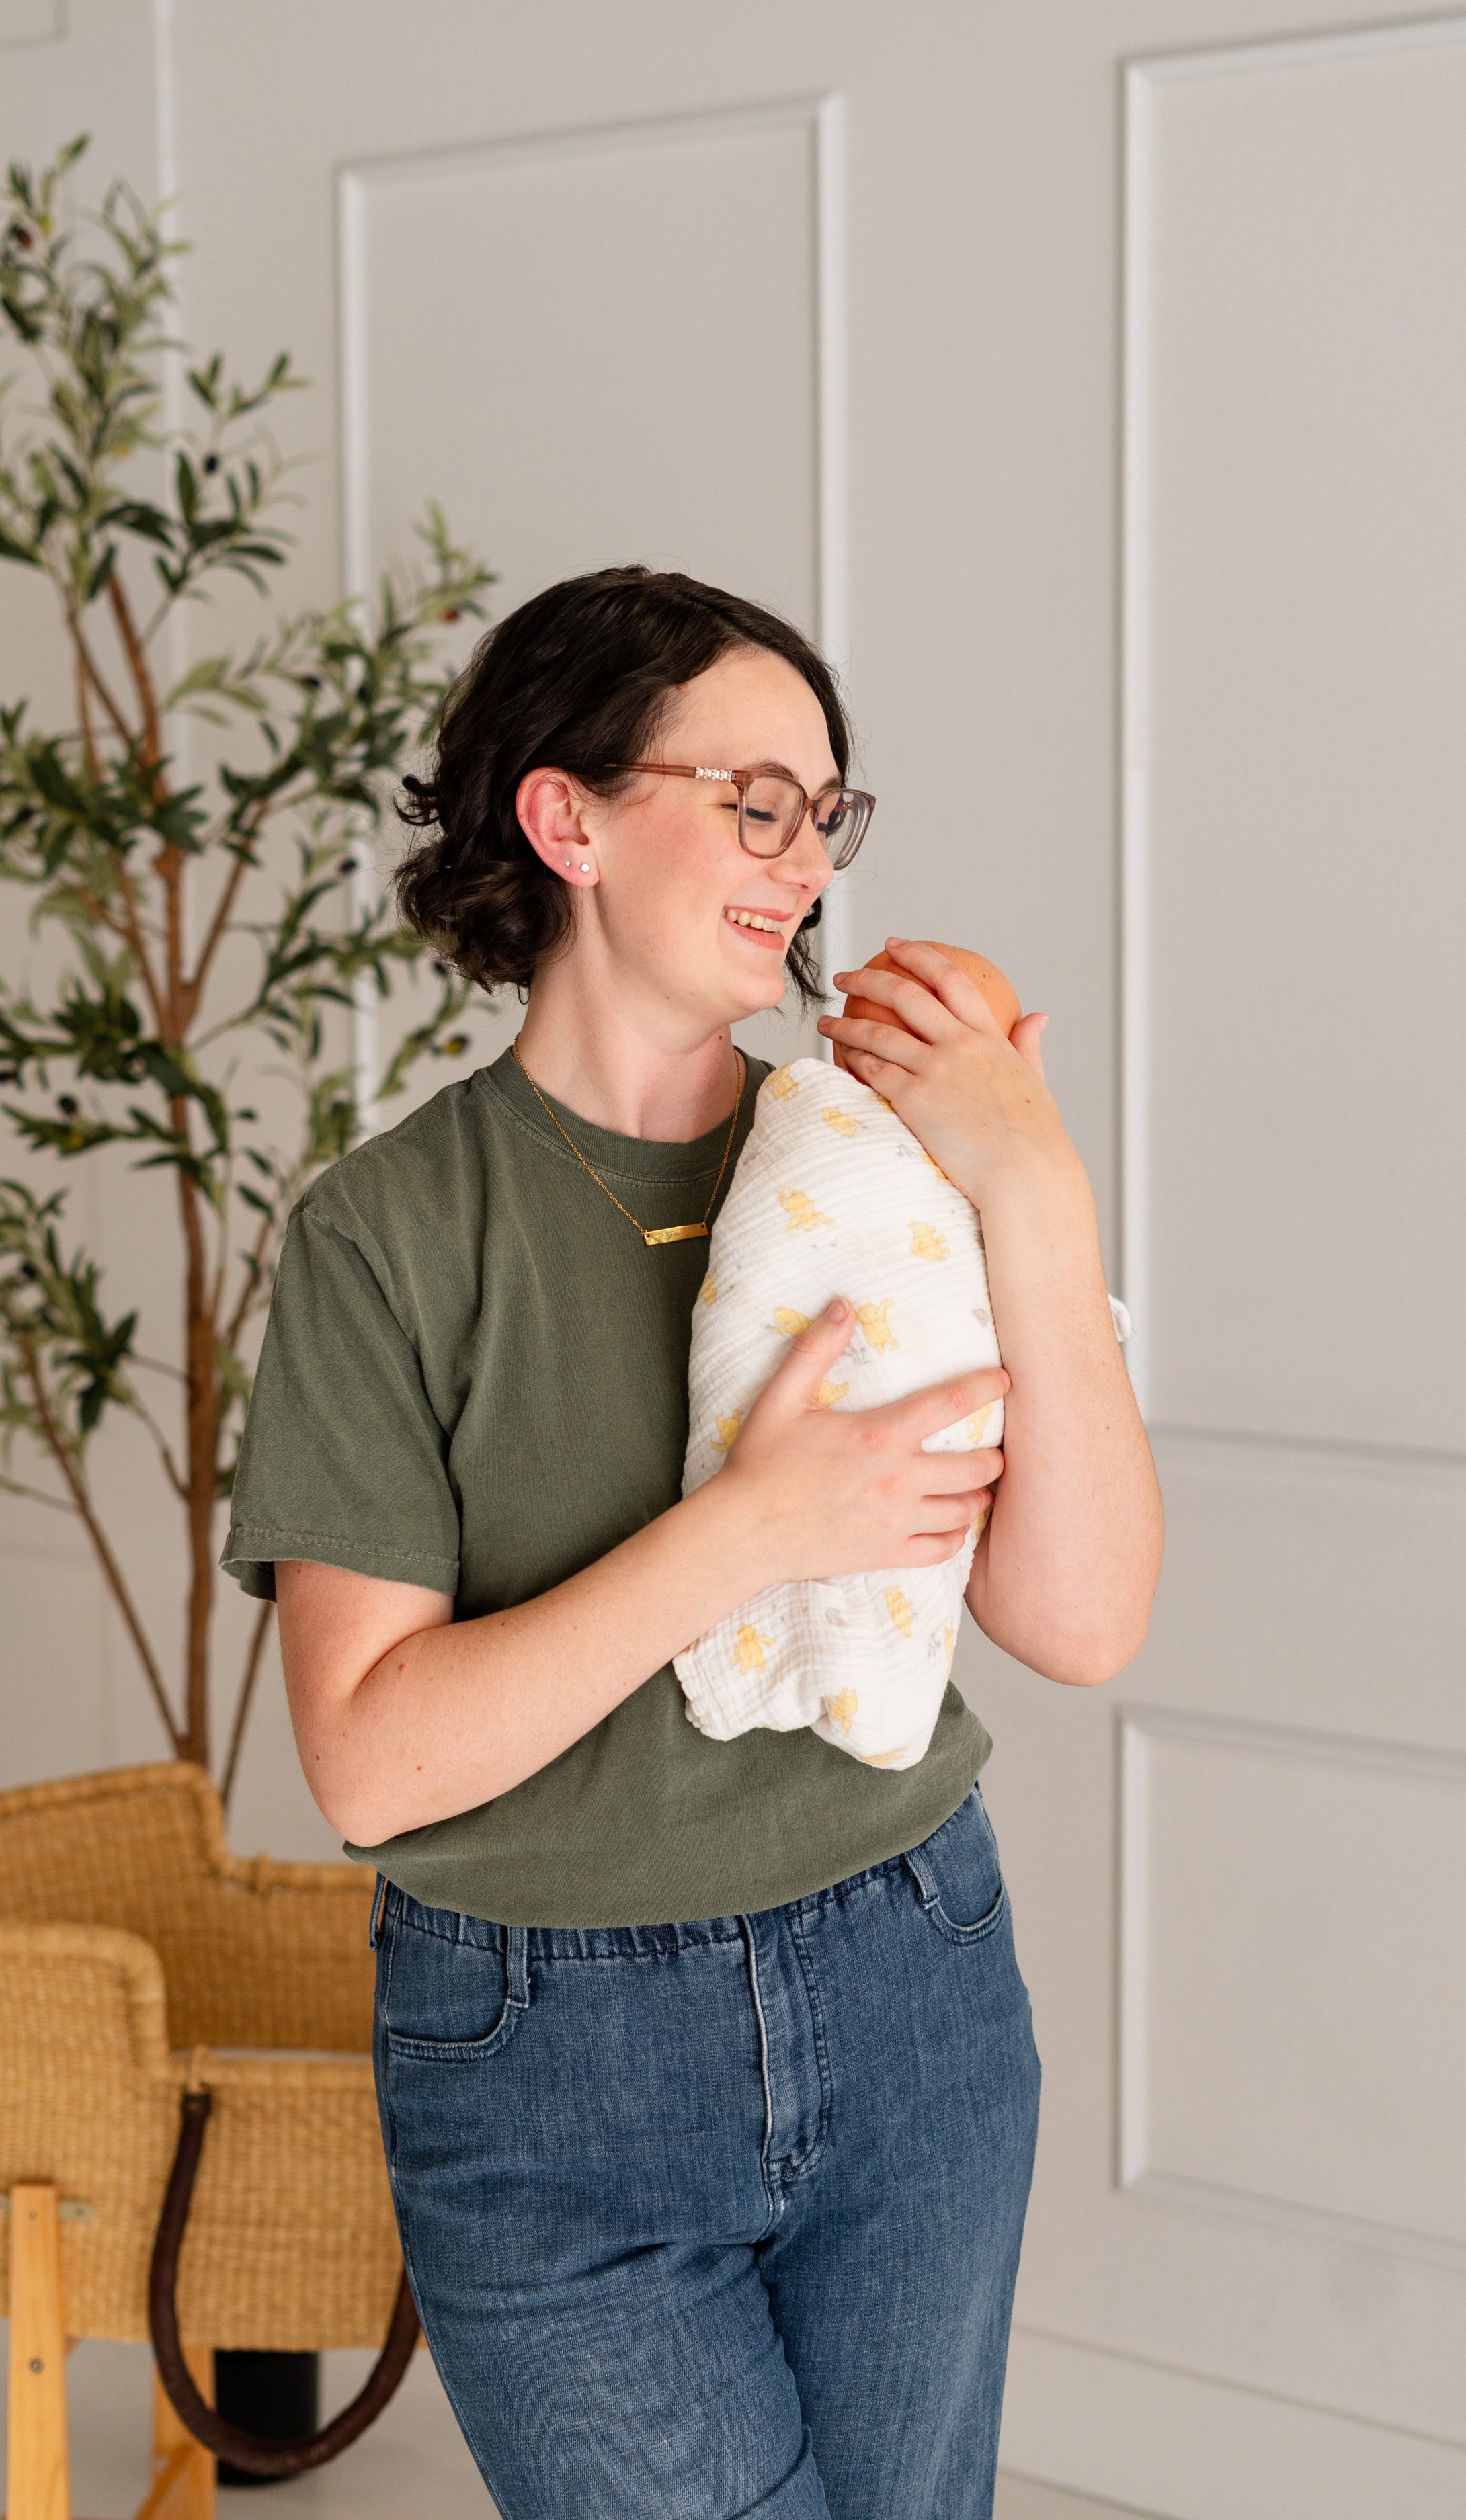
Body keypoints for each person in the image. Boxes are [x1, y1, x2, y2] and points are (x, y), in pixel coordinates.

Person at [222, 565, 1163, 2520]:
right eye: (752, 800)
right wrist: (744, 1531)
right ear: (565, 818)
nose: (803, 858)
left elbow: (1078, 1623)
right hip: (544, 2059)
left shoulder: (885, 1165)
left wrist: (1037, 1191)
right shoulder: (388, 1236)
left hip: (912, 1983)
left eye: (827, 811)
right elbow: (372, 1761)